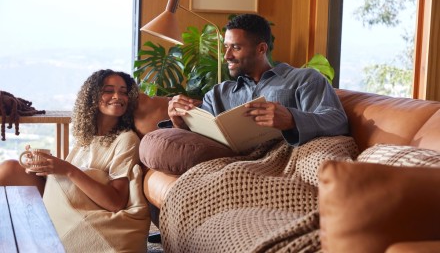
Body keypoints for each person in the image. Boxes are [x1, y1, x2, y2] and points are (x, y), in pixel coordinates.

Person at [0, 69, 149, 252]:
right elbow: (70, 182)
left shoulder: (126, 139)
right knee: (10, 168)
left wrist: (67, 169)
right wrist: (48, 168)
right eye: (109, 90)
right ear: (92, 97)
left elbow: (116, 202)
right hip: (67, 202)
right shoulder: (86, 139)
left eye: (124, 91)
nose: (118, 96)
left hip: (88, 212)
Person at [167, 13, 348, 146]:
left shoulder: (304, 79)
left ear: (261, 49)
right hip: (231, 166)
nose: (227, 56)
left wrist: (292, 119)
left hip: (285, 163)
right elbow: (199, 141)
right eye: (226, 47)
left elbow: (337, 121)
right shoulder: (218, 93)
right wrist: (180, 122)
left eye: (236, 48)